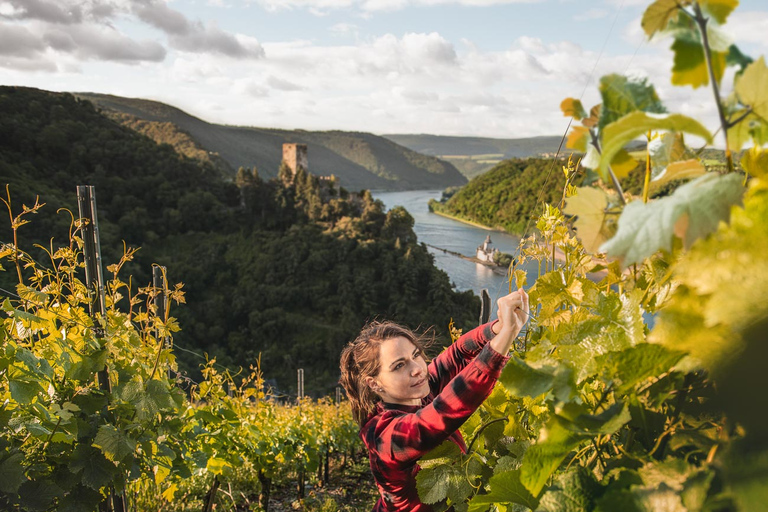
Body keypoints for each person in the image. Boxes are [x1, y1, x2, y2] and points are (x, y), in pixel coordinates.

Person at [339, 288, 530, 511]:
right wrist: (507, 336)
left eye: (415, 355)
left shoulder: (419, 392)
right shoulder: (386, 439)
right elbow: (439, 415)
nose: (417, 370)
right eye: (399, 366)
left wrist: (498, 328)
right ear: (374, 383)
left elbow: (458, 353)